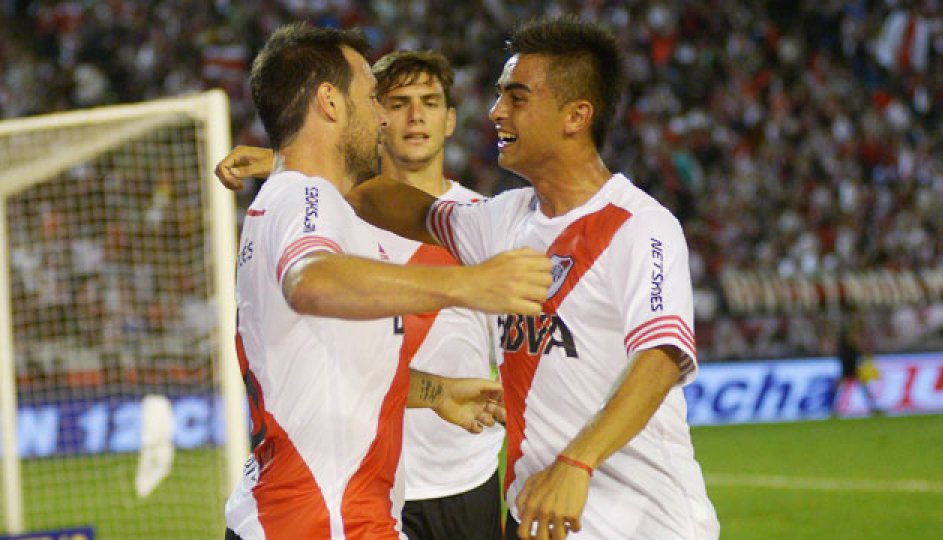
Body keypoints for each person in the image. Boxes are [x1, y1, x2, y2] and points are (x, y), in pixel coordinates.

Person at [218, 15, 719, 540]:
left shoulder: (641, 225)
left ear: (576, 115)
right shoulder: (502, 221)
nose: (496, 111)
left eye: (516, 97)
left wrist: (578, 461)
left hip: (640, 521)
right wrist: (292, 161)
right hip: (536, 516)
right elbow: (394, 205)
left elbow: (661, 357)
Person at [221, 23, 552, 540]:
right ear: (330, 102)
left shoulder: (301, 200)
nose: (382, 117)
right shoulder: (306, 197)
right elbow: (312, 281)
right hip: (324, 520)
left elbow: (340, 367)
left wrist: (437, 392)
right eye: (373, 97)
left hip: (310, 513)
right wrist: (467, 284)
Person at [373, 51, 504, 540]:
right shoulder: (340, 221)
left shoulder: (486, 222)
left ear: (449, 120)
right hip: (368, 481)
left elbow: (512, 355)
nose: (415, 116)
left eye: (429, 103)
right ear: (375, 117)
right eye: (399, 103)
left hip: (463, 478)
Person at [832, 305, 882, 416]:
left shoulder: (849, 325)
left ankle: (833, 408)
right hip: (848, 356)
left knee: (853, 382)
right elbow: (851, 341)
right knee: (852, 381)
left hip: (848, 355)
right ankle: (833, 407)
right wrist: (861, 350)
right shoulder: (850, 326)